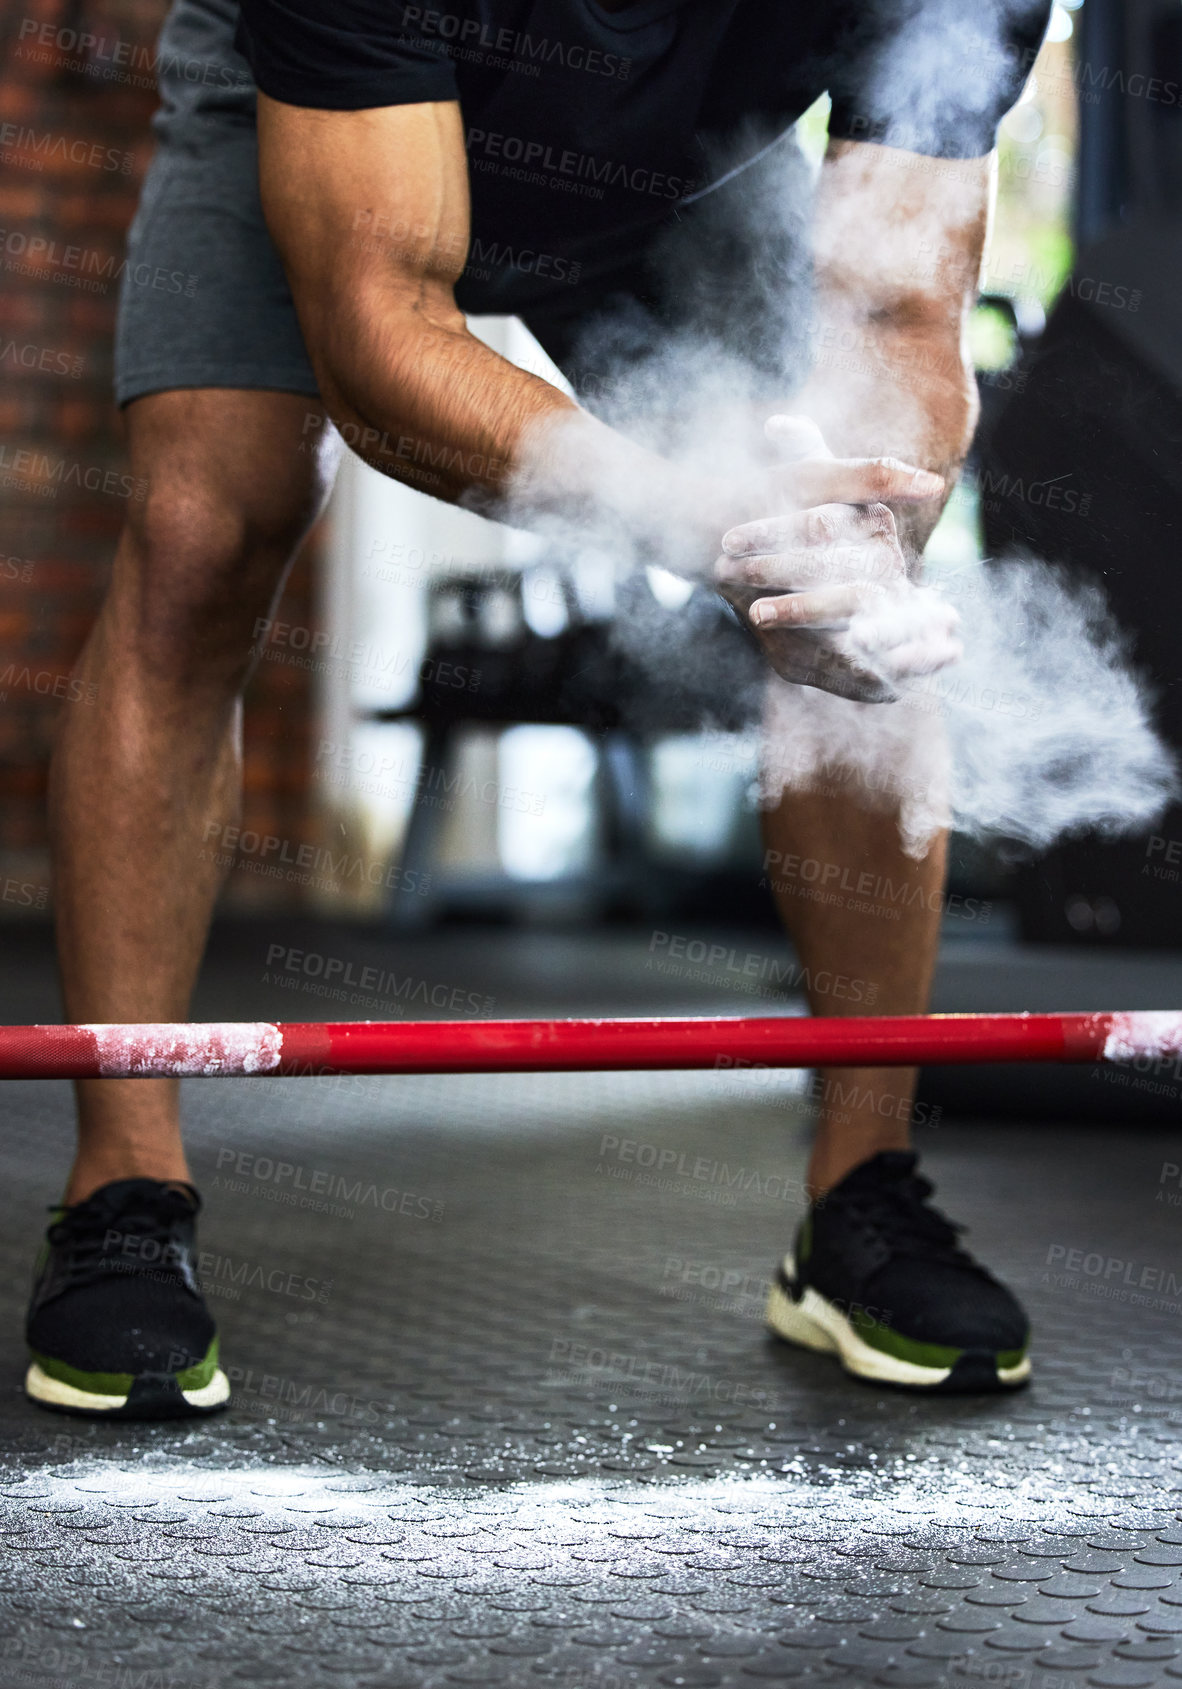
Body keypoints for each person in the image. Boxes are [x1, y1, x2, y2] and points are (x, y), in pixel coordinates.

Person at [28, 0, 1050, 1417]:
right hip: (315, 129)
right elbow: (379, 335)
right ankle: (121, 1184)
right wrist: (700, 518)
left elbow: (895, 311)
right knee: (205, 536)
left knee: (847, 574)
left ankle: (858, 1192)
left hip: (683, 167)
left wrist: (851, 531)